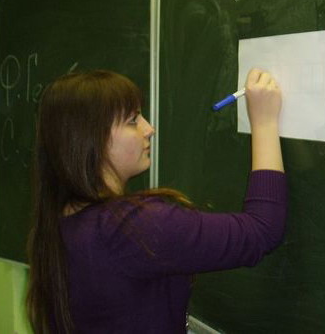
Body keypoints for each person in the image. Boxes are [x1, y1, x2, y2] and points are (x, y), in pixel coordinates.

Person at [26, 68, 287, 334]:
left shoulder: (63, 221)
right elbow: (262, 230)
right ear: (90, 138)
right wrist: (265, 123)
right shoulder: (130, 227)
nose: (149, 129)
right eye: (132, 120)